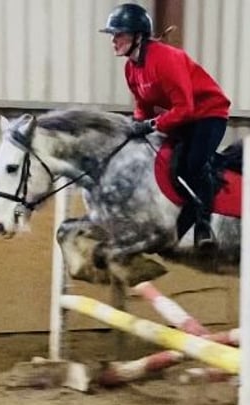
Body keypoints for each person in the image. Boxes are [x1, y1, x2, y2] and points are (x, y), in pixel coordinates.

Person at [99, 3, 231, 250]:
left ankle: (203, 224)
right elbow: (142, 107)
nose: (114, 40)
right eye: (113, 35)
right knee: (159, 161)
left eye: (119, 34)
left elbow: (185, 108)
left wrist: (150, 125)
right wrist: (134, 126)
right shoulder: (131, 68)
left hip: (208, 115)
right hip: (182, 118)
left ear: (138, 36)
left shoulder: (166, 59)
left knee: (190, 166)